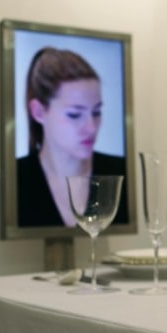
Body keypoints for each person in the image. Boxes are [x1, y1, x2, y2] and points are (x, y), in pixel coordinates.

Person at [16, 47, 128, 228]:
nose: (91, 127)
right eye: (75, 115)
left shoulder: (121, 171)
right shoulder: (15, 180)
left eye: (97, 112)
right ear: (38, 112)